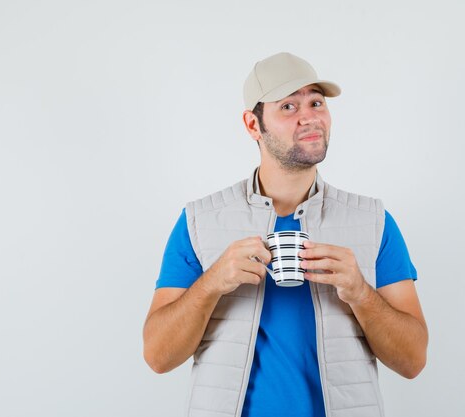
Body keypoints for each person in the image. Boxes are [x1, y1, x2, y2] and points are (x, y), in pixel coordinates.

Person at [143, 52, 428, 417]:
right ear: (252, 124)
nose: (309, 116)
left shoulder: (373, 221)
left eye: (316, 102)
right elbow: (158, 356)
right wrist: (212, 282)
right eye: (289, 106)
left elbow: (413, 361)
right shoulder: (200, 221)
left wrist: (360, 293)